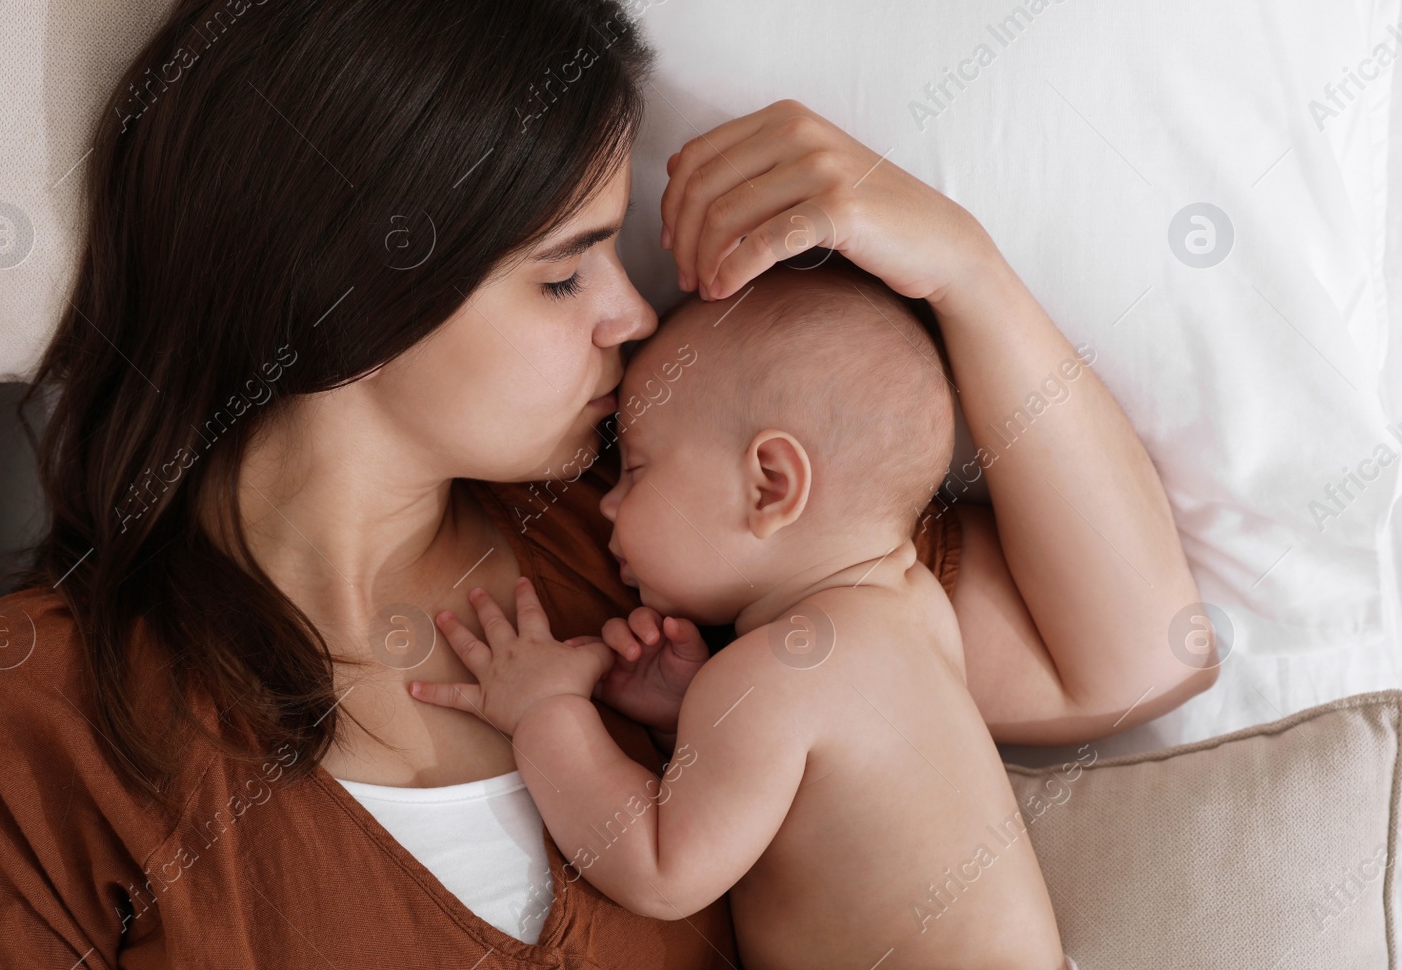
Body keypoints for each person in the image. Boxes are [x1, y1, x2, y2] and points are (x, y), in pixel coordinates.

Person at [0, 0, 1212, 965]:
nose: (632, 314)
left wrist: (959, 267)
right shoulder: (22, 724)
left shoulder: (653, 547)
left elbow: (1142, 654)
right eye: (563, 273)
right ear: (353, 290)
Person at [409, 263, 1100, 968]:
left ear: (771, 484)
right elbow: (827, 782)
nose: (610, 503)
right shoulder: (917, 610)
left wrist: (545, 711)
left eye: (638, 469)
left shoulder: (771, 678)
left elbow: (658, 869)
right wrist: (693, 715)